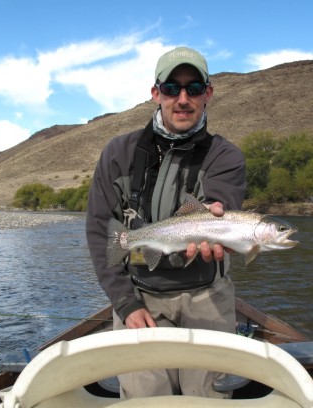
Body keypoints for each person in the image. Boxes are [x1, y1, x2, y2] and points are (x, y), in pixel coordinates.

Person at [86, 46, 246, 399]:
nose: (183, 99)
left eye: (194, 88)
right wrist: (125, 304)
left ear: (209, 94)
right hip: (140, 294)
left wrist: (212, 217)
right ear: (156, 93)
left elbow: (220, 205)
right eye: (172, 88)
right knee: (146, 400)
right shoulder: (118, 153)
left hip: (207, 295)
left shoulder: (226, 156)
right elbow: (101, 232)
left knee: (208, 400)